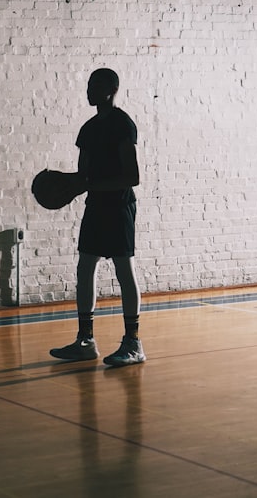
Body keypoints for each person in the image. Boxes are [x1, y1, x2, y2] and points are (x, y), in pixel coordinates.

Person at [50, 68, 146, 366]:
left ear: (112, 89)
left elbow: (132, 176)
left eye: (95, 85)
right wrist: (65, 185)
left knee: (124, 271)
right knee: (85, 268)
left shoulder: (122, 125)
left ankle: (133, 344)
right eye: (88, 85)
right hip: (96, 206)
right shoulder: (88, 129)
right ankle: (85, 340)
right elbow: (83, 175)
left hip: (118, 206)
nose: (89, 90)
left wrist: (90, 185)